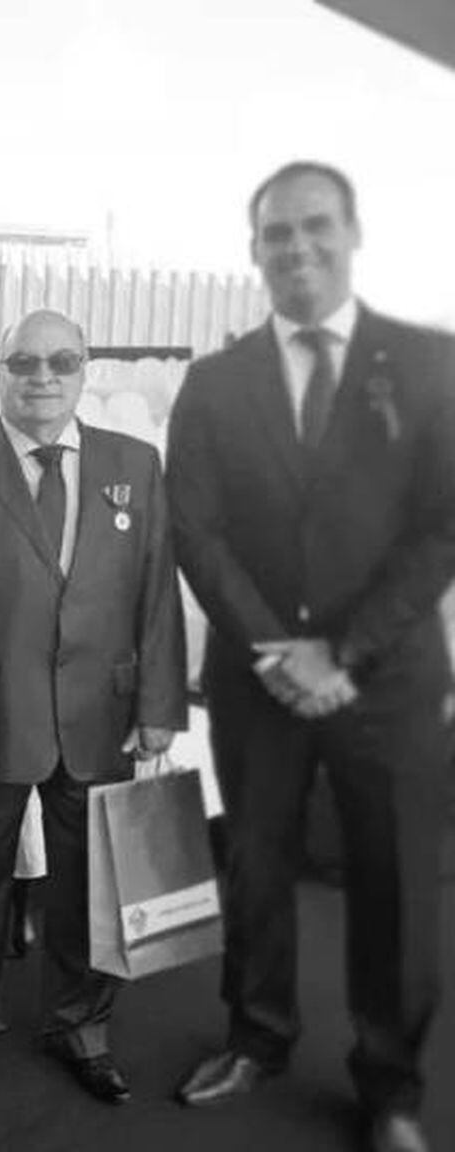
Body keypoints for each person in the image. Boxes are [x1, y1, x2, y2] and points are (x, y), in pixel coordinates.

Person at [165, 161, 455, 1152]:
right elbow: (196, 531)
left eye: (315, 226)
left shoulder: (431, 364)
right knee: (255, 870)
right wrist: (273, 653)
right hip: (257, 683)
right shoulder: (214, 383)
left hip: (388, 679)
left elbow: (443, 529)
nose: (297, 247)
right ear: (254, 250)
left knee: (397, 889)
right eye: (277, 232)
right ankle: (257, 1037)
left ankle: (391, 1090)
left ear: (354, 232)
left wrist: (343, 652)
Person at [0, 307, 186, 1105]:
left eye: (61, 361)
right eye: (23, 362)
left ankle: (81, 1027)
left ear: (84, 371)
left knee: (96, 887)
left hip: (105, 716)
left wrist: (160, 705)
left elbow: (157, 593)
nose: (42, 377)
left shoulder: (136, 462)